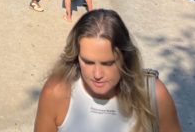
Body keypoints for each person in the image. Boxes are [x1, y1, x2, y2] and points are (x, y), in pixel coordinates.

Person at [34, 9, 182, 132]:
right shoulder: (56, 92)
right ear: (75, 56)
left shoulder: (153, 95)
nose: (97, 74)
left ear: (125, 57)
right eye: (88, 62)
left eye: (108, 63)